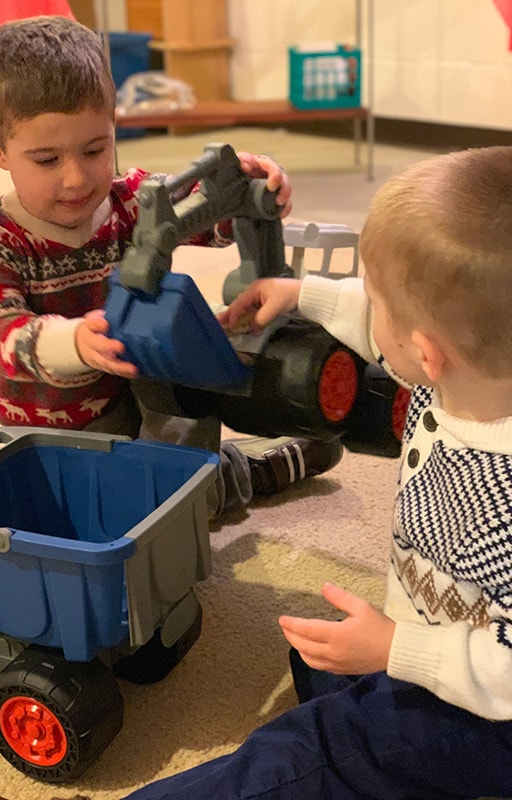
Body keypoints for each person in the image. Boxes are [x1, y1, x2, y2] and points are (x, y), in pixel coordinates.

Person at [107, 145, 512, 799]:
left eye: (375, 300)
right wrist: (304, 294)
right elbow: (388, 330)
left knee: (307, 752)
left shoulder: (500, 496)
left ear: (430, 355)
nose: (365, 313)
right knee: (318, 659)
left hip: (487, 718)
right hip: (443, 639)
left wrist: (397, 652)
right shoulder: (475, 365)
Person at [0, 15, 343, 519]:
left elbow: (207, 217)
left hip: (140, 404)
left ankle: (236, 472)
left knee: (177, 489)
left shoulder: (130, 199)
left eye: (95, 149)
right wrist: (74, 342)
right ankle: (250, 472)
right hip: (47, 437)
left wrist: (250, 191)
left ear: (115, 126)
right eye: (46, 160)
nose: (75, 179)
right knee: (98, 518)